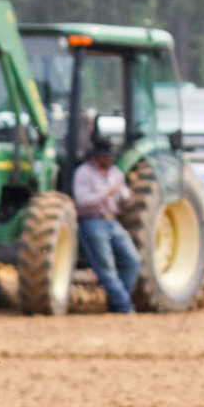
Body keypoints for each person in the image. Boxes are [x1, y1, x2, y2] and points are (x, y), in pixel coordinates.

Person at [74, 135, 141, 315]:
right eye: (106, 156)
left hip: (112, 221)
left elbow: (121, 200)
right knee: (106, 267)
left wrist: (127, 200)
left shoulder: (116, 174)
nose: (110, 160)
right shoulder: (83, 173)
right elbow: (81, 201)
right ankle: (124, 305)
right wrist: (106, 192)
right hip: (91, 221)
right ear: (97, 156)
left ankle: (118, 302)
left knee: (132, 261)